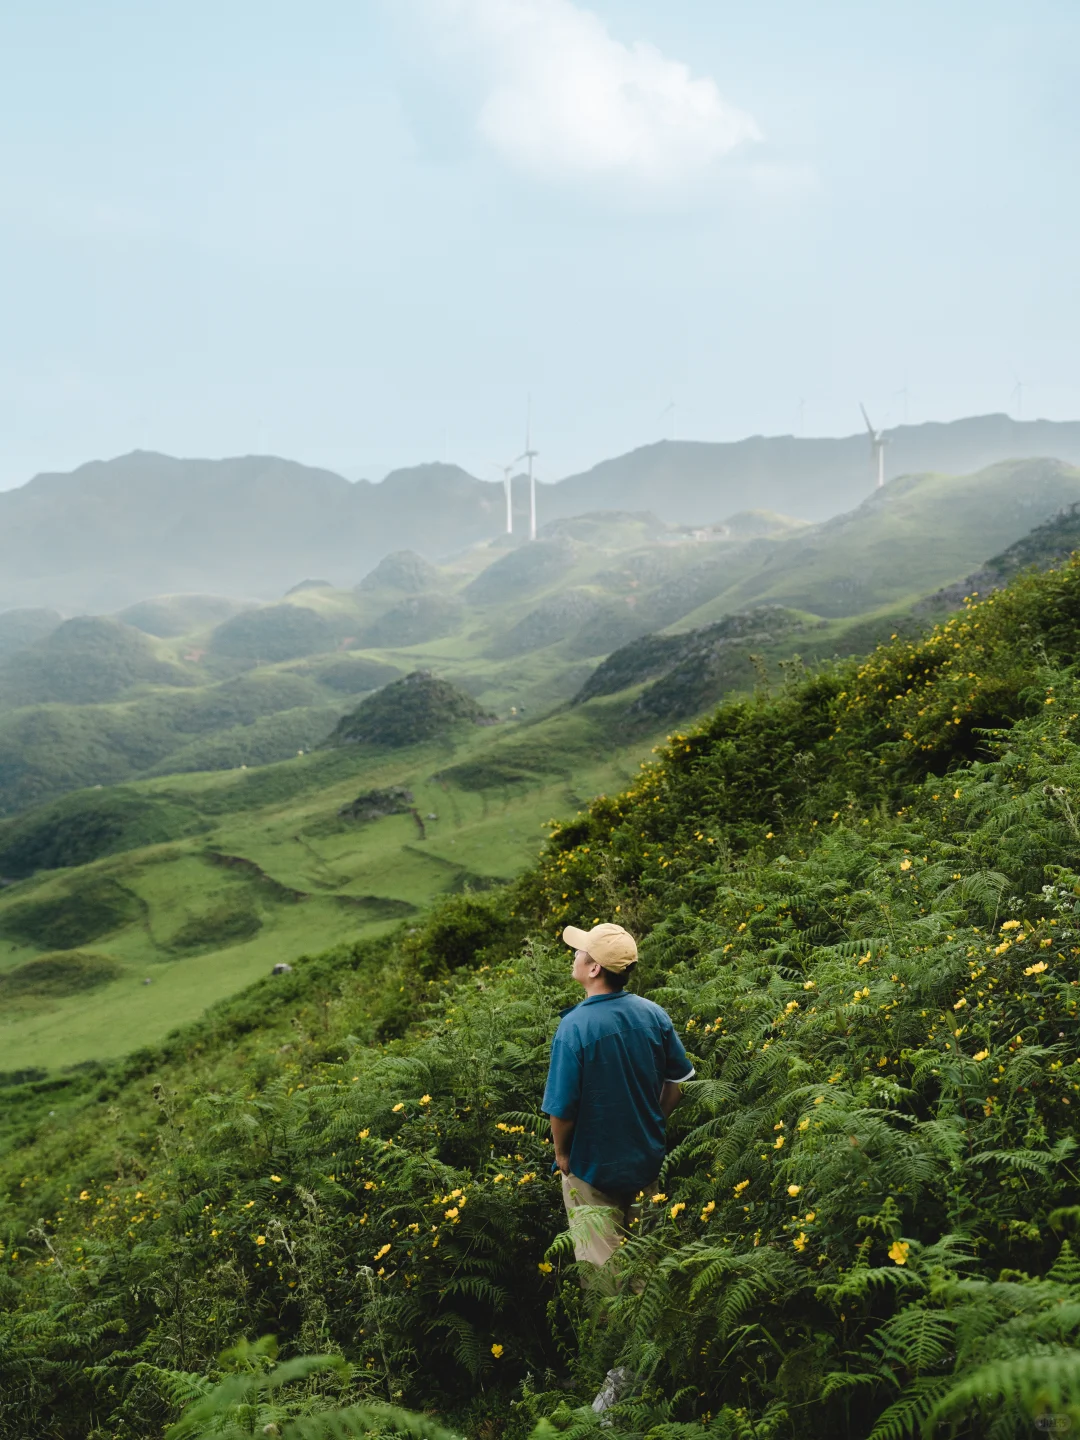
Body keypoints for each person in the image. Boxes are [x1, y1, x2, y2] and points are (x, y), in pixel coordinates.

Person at [541, 921, 695, 1284]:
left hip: (591, 1166)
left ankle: (615, 1338)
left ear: (594, 969)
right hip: (645, 1158)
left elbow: (561, 1108)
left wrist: (562, 1155)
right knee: (646, 1265)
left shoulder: (574, 1027)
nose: (575, 955)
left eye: (580, 952)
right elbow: (679, 1081)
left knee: (605, 1278)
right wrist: (654, 1121)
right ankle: (653, 1335)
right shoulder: (652, 1014)